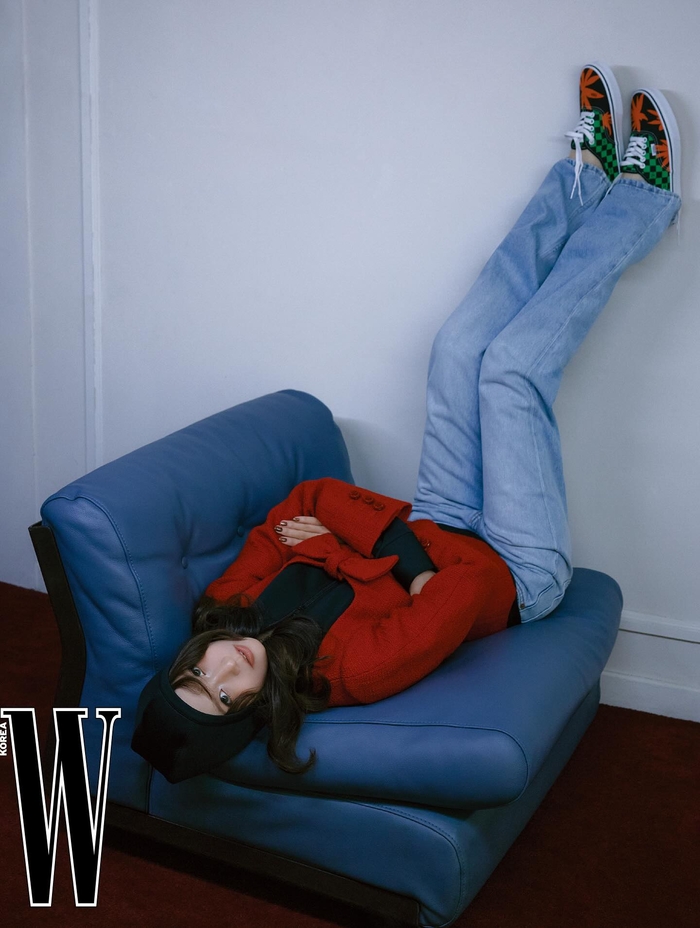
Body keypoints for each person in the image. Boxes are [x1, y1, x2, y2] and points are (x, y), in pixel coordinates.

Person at [132, 63, 681, 783]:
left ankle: (579, 181)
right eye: (226, 698)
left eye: (199, 675)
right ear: (253, 714)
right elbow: (463, 596)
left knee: (455, 348)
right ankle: (642, 201)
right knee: (510, 372)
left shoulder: (225, 608)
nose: (227, 668)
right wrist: (343, 550)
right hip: (516, 571)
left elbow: (310, 499)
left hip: (437, 523)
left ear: (188, 659)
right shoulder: (350, 670)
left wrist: (374, 554)